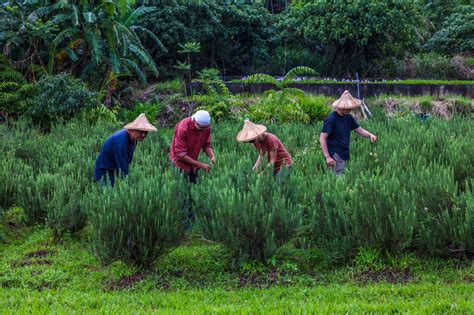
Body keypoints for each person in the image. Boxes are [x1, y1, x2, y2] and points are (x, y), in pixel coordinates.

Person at [319, 90, 377, 176]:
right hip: (334, 155)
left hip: (344, 153)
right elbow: (322, 137)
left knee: (342, 178)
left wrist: (370, 135)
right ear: (341, 106)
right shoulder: (332, 119)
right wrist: (327, 157)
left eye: (350, 107)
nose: (350, 109)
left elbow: (360, 130)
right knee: (337, 179)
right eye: (348, 107)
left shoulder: (348, 117)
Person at [94, 113, 157, 185]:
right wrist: (130, 184)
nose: (143, 135)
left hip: (115, 171)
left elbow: (127, 162)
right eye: (141, 131)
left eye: (146, 132)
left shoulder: (134, 140)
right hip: (105, 173)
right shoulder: (121, 140)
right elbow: (122, 166)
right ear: (132, 130)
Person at [170, 110, 215, 183]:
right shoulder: (183, 127)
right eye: (201, 128)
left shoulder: (206, 127)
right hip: (180, 164)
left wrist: (212, 156)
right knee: (181, 189)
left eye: (205, 128)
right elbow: (181, 155)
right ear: (195, 122)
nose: (203, 130)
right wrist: (201, 165)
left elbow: (206, 145)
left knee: (194, 187)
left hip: (194, 162)